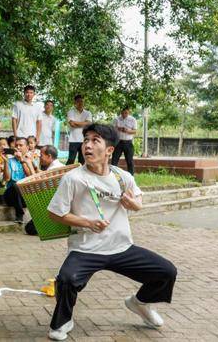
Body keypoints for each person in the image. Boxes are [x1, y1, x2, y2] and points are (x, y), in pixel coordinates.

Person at [46, 123, 177, 341]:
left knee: (166, 272)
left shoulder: (121, 177)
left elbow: (139, 201)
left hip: (121, 247)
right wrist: (87, 223)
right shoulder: (73, 178)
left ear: (109, 150)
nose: (87, 145)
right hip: (86, 249)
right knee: (67, 279)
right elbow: (55, 214)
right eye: (86, 139)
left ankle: (140, 303)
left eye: (95, 140)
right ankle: (63, 320)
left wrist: (132, 204)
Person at [2, 137, 35, 223]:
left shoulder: (30, 160)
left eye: (21, 145)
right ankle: (19, 214)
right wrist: (5, 161)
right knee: (15, 185)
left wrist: (21, 160)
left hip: (25, 196)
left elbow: (32, 178)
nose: (18, 147)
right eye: (16, 145)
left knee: (19, 185)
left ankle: (20, 213)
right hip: (11, 196)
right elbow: (7, 179)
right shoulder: (9, 160)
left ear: (27, 148)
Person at [66, 94, 92, 165]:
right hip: (73, 139)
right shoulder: (70, 112)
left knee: (82, 161)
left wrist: (76, 122)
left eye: (82, 101)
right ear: (75, 103)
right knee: (71, 160)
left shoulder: (88, 113)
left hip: (84, 140)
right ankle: (66, 175)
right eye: (78, 101)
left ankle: (81, 176)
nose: (80, 103)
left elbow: (89, 124)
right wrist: (84, 123)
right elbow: (72, 124)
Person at [111, 107, 138, 175]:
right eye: (122, 113)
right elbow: (112, 130)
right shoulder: (116, 119)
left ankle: (131, 176)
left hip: (128, 142)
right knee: (114, 160)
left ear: (129, 112)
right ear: (120, 112)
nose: (124, 114)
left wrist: (128, 131)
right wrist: (118, 128)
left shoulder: (132, 119)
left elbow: (135, 131)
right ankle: (113, 175)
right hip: (118, 142)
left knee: (129, 160)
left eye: (126, 113)